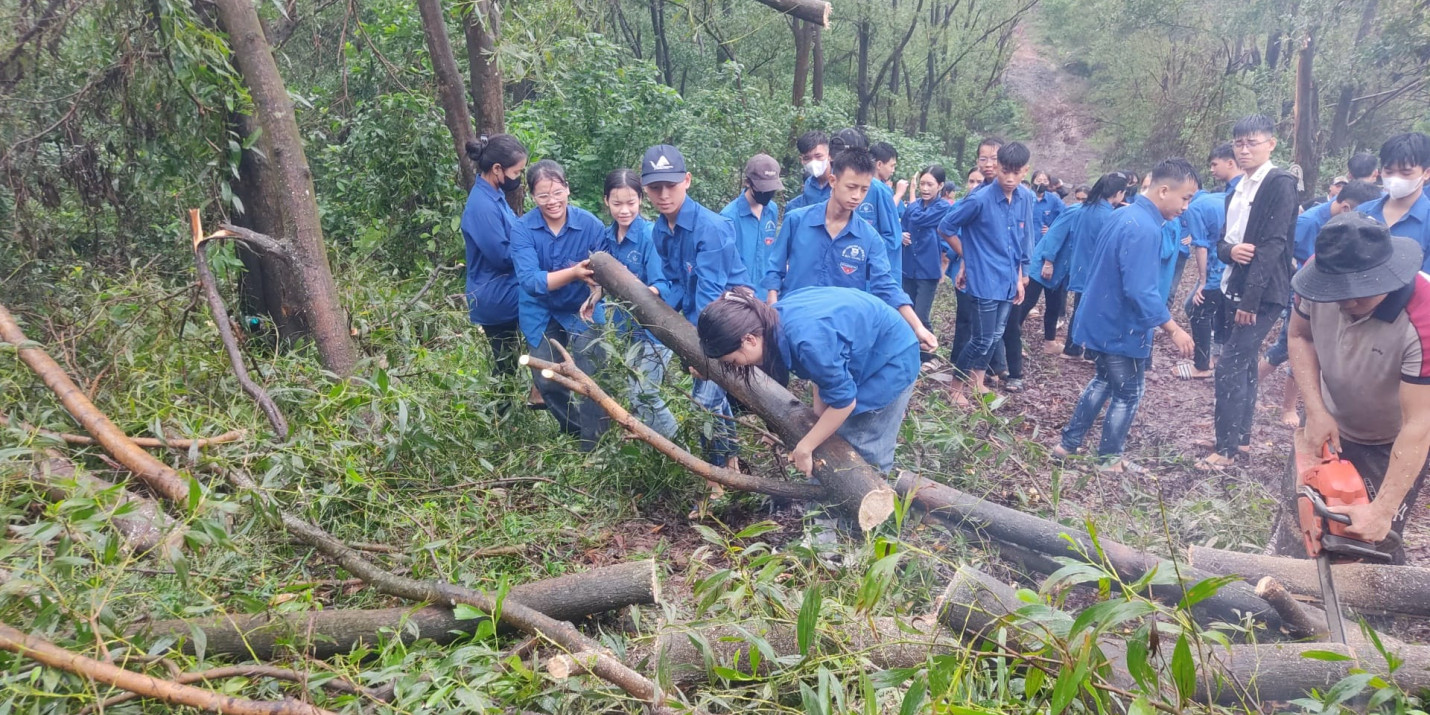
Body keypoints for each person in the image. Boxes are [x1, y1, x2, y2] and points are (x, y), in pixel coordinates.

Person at [1288, 212, 1430, 563]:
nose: (1344, 302)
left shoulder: (1424, 316)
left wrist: (1382, 510)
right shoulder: (1320, 274)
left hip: (1389, 439)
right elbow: (1300, 336)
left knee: (1366, 542)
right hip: (1327, 415)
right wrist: (1315, 409)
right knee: (1302, 520)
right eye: (1335, 292)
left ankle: (1374, 595)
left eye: (1357, 295)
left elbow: (1419, 424)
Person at [1054, 159, 1197, 472]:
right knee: (1129, 392)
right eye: (1185, 198)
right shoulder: (1143, 228)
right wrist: (1173, 329)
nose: (1185, 207)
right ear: (1163, 190)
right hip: (1120, 324)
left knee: (1104, 380)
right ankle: (1109, 459)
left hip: (1100, 317)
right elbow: (1140, 290)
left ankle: (1067, 444)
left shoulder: (1123, 214)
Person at [698, 287, 918, 474]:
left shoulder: (808, 342)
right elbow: (820, 375)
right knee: (829, 430)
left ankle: (870, 498)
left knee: (863, 442)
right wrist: (817, 420)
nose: (738, 366)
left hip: (890, 360)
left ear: (749, 340)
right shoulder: (775, 322)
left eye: (734, 360)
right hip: (863, 349)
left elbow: (844, 402)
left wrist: (805, 448)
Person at [762, 146, 938, 353]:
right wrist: (773, 308)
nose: (857, 196)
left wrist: (917, 327)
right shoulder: (796, 221)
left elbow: (886, 285)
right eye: (852, 187)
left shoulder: (869, 238)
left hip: (840, 329)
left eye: (864, 190)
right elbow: (775, 269)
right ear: (833, 181)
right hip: (793, 320)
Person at [641, 144, 750, 474]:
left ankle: (714, 476)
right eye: (655, 188)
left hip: (728, 320)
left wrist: (698, 350)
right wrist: (655, 300)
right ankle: (730, 464)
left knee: (705, 402)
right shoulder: (660, 230)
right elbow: (677, 282)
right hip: (699, 321)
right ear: (645, 189)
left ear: (686, 181)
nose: (664, 195)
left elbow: (710, 297)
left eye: (671, 185)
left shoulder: (711, 228)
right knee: (712, 399)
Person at [1201, 115, 1300, 469]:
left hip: (1262, 293)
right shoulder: (1238, 188)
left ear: (1270, 144)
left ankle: (1224, 449)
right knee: (1242, 363)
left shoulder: (1279, 184)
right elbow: (1222, 243)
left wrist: (1251, 300)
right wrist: (1231, 251)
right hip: (1234, 285)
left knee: (1228, 365)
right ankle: (1239, 438)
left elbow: (1274, 245)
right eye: (1238, 144)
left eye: (1251, 143)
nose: (1244, 150)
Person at [1255, 179, 1384, 424]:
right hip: (1305, 294)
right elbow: (1278, 253)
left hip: (1338, 292)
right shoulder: (1308, 222)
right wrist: (1297, 276)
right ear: (1347, 208)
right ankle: (1260, 393)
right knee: (1290, 346)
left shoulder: (1345, 225)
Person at [510, 160, 612, 450]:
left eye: (557, 192)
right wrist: (574, 273)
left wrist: (596, 292)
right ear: (532, 196)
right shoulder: (522, 229)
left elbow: (606, 271)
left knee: (592, 374)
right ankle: (574, 429)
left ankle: (594, 445)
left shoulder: (589, 225)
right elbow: (531, 281)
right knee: (547, 379)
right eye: (543, 195)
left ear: (567, 189)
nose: (552, 201)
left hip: (581, 306)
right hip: (540, 309)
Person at [938, 141, 1034, 403]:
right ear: (997, 167)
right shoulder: (979, 199)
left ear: (1025, 171)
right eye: (1005, 171)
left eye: (1016, 172)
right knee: (981, 338)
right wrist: (969, 257)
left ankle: (977, 382)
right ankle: (956, 387)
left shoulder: (1025, 197)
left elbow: (1022, 239)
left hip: (1008, 278)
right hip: (984, 279)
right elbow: (946, 227)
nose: (1010, 178)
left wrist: (1020, 277)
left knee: (996, 333)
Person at [598, 168, 678, 438]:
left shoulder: (649, 235)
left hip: (655, 331)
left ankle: (680, 450)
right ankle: (654, 446)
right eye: (617, 203)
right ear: (606, 201)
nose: (624, 210)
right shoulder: (607, 237)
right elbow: (603, 278)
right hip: (627, 329)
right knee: (633, 393)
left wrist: (638, 289)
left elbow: (661, 284)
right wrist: (596, 295)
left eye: (631, 202)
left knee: (645, 394)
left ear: (641, 200)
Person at [460, 135, 529, 382]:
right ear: (497, 169)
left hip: (506, 289)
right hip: (496, 295)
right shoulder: (482, 206)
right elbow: (502, 256)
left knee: (508, 367)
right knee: (506, 369)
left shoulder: (494, 196)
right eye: (516, 172)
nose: (518, 178)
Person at [1176, 143, 1239, 380]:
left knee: (1197, 310)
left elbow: (1201, 246)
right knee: (1221, 311)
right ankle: (1219, 355)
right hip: (1234, 267)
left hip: (1217, 270)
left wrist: (1202, 282)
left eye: (1214, 164)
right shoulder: (1222, 197)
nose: (1212, 169)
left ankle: (1201, 365)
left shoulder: (1195, 207)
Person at [1055, 172, 1127, 359]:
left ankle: (1072, 347)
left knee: (1080, 307)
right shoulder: (1109, 216)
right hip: (1097, 270)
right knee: (1096, 311)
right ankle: (1091, 352)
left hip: (1080, 265)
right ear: (1118, 193)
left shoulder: (1084, 209)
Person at [832, 128, 904, 277]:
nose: (856, 195)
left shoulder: (879, 191)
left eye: (863, 189)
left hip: (869, 276)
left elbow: (892, 239)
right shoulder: (828, 185)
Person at [1357, 133, 1430, 272]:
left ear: (1426, 173)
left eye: (1406, 173)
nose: (1395, 179)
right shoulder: (1361, 213)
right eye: (1389, 172)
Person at [902, 165, 953, 361]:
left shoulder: (942, 207)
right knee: (907, 314)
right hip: (908, 267)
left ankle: (929, 356)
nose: (925, 188)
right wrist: (901, 235)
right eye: (922, 184)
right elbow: (902, 225)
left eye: (930, 184)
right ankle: (911, 354)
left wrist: (911, 198)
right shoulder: (914, 206)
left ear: (940, 186)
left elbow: (920, 219)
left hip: (927, 269)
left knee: (921, 315)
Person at [721, 154, 782, 293]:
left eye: (771, 189)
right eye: (763, 188)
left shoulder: (772, 210)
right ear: (748, 182)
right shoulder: (729, 217)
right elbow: (725, 263)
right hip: (741, 294)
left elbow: (771, 253)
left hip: (767, 292)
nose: (767, 193)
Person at [785, 130, 832, 213]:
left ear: (829, 155)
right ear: (802, 160)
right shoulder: (808, 186)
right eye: (807, 158)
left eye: (818, 156)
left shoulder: (842, 183)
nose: (813, 161)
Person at [1032, 171, 1065, 236]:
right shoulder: (1025, 197)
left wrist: (1053, 229)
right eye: (1038, 181)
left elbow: (1065, 215)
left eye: (1045, 181)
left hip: (1044, 239)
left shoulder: (1053, 199)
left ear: (1049, 183)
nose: (1042, 183)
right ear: (1033, 181)